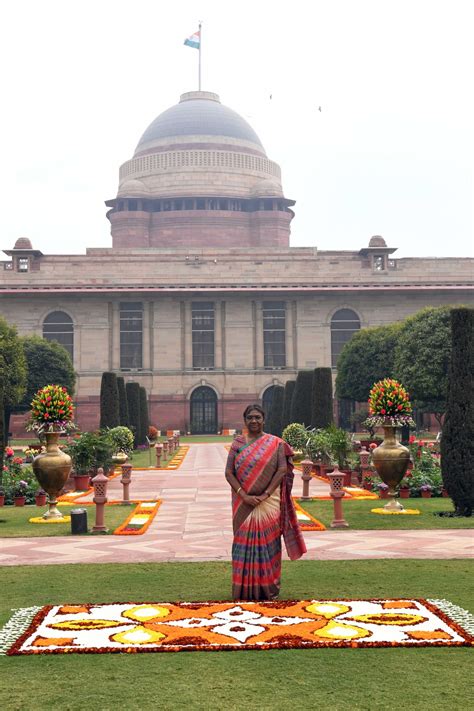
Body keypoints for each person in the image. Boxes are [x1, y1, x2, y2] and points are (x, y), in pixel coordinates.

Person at [225, 403, 307, 601]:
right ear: (245, 420)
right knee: (242, 545)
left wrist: (265, 495)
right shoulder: (237, 444)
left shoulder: (276, 444)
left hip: (268, 503)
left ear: (264, 420)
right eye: (250, 417)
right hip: (243, 504)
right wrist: (243, 495)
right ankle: (243, 590)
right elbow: (229, 472)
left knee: (269, 545)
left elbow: (282, 470)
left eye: (257, 417)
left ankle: (268, 588)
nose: (254, 421)